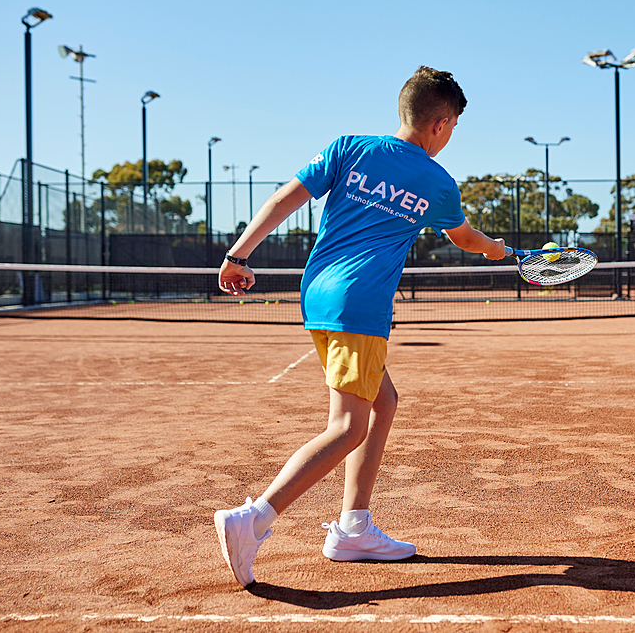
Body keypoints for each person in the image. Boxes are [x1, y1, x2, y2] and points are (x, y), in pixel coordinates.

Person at [213, 66, 506, 588]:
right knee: (348, 426)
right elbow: (463, 239)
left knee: (383, 403)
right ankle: (253, 519)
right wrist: (495, 249)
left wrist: (238, 254)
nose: (452, 135)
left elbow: (285, 197)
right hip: (362, 305)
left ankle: (353, 528)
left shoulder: (350, 147)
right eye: (455, 125)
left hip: (319, 294)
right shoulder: (438, 183)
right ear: (441, 124)